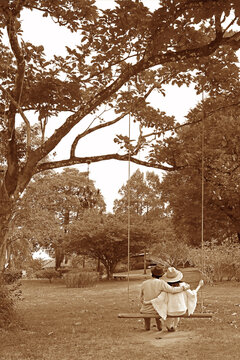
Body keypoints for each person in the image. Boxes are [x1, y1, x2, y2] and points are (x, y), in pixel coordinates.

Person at [144, 267, 204, 332]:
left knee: (168, 310)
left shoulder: (167, 288)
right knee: (177, 310)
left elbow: (159, 299)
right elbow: (192, 294)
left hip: (170, 312)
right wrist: (199, 286)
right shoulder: (184, 286)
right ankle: (174, 326)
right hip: (182, 310)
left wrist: (146, 302)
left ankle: (170, 326)